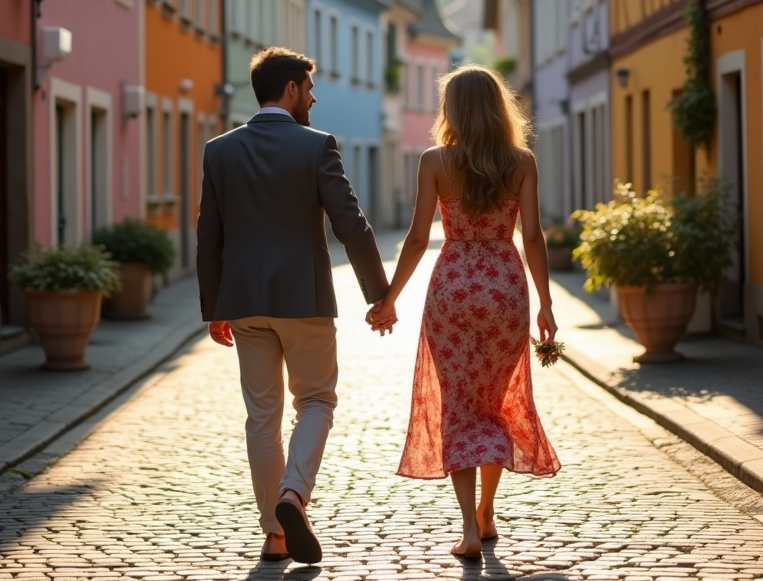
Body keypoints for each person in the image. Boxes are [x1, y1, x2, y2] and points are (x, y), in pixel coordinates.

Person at [196, 47, 391, 565]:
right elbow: (351, 224)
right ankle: (293, 495)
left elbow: (208, 235)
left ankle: (274, 536)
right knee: (317, 401)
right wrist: (381, 296)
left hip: (243, 302)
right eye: (308, 87)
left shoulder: (219, 150)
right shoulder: (316, 146)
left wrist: (213, 306)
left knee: (262, 417)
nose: (313, 96)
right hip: (303, 299)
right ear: (289, 90)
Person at [366, 65, 560, 559]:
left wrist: (388, 298)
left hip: (452, 288)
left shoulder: (434, 160)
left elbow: (415, 239)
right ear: (499, 107)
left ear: (450, 108)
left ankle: (468, 531)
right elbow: (532, 237)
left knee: (459, 406)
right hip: (505, 289)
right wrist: (546, 304)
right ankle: (488, 513)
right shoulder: (521, 162)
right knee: (494, 403)